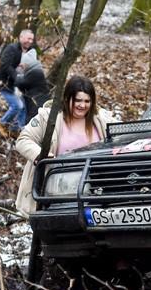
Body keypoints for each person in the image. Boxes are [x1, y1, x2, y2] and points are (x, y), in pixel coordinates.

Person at [15, 75, 115, 215]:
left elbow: (122, 138)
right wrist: (41, 155)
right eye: (78, 100)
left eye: (87, 101)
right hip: (54, 195)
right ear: (67, 98)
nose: (82, 105)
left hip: (93, 195)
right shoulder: (48, 117)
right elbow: (23, 140)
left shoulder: (102, 119)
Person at [0, 29, 34, 138]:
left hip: (18, 85)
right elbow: (5, 66)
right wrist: (16, 76)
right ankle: (2, 123)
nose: (30, 41)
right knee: (17, 106)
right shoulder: (11, 49)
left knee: (24, 108)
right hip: (5, 83)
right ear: (21, 37)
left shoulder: (30, 51)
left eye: (31, 39)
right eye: (28, 38)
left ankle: (16, 130)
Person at [14, 48, 50, 121]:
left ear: (28, 63)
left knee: (31, 121)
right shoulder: (34, 71)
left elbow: (21, 83)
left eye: (22, 64)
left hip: (37, 103)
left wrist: (14, 75)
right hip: (36, 101)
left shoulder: (35, 73)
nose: (21, 65)